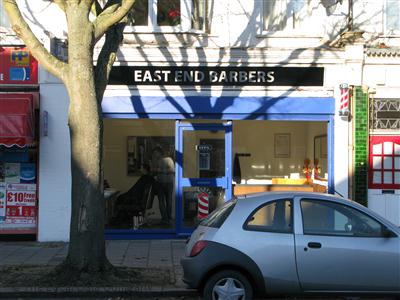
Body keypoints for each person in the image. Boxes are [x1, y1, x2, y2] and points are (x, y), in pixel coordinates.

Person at [151, 146, 174, 224]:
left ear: (159, 152)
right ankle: (164, 218)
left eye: (155, 153)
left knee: (169, 200)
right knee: (161, 201)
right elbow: (154, 170)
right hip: (159, 182)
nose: (154, 154)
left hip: (168, 183)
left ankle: (169, 217)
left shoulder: (168, 159)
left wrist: (160, 170)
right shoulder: (156, 160)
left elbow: (172, 170)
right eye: (153, 153)